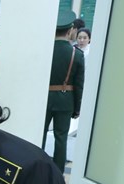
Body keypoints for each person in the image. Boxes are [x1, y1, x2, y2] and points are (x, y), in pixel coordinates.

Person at [42, 9, 85, 173]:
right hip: (65, 100)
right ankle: (58, 172)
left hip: (45, 99)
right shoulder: (77, 54)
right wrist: (77, 108)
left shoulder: (45, 51)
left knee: (41, 135)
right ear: (70, 30)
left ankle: (38, 165)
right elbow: (79, 85)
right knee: (61, 138)